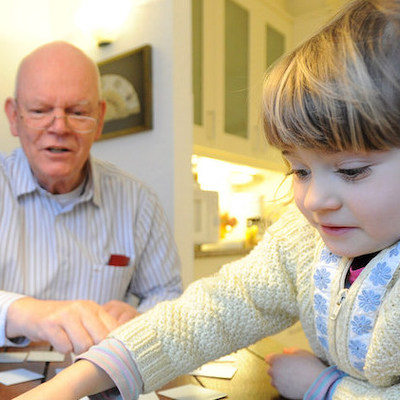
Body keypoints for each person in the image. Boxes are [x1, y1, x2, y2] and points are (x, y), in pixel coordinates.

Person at [14, 0, 400, 398]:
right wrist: (65, 387)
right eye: (299, 171)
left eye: (352, 171)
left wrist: (323, 387)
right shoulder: (301, 240)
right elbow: (207, 313)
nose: (316, 200)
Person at [0, 41, 182, 355]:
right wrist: (25, 313)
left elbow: (166, 294)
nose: (59, 128)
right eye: (40, 111)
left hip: (99, 375)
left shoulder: (138, 202)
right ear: (14, 117)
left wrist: (142, 319)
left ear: (99, 119)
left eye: (78, 112)